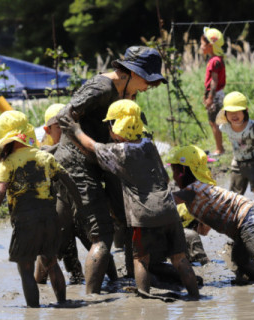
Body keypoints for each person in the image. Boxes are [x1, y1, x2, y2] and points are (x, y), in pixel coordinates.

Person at [59, 99, 200, 300]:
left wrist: (74, 129)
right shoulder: (149, 145)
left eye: (110, 124)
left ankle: (144, 296)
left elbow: (91, 146)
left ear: (116, 127)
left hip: (143, 215)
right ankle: (195, 296)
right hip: (169, 209)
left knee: (140, 259)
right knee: (179, 258)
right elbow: (165, 177)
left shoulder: (118, 152)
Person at [55, 46, 167, 293]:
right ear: (129, 73)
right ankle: (93, 299)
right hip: (78, 160)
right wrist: (90, 147)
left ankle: (135, 278)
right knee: (102, 234)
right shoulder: (102, 87)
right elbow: (64, 116)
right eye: (146, 80)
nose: (148, 87)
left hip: (105, 158)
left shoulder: (125, 91)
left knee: (129, 217)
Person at [0, 110, 83, 307]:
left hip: (25, 223)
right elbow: (69, 181)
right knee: (51, 263)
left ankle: (33, 311)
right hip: (50, 219)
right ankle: (63, 304)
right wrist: (80, 206)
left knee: (25, 269)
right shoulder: (44, 157)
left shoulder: (9, 162)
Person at [167, 145, 254, 286]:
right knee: (240, 260)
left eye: (173, 171)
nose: (173, 177)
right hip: (247, 218)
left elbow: (166, 201)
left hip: (249, 217)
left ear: (183, 171)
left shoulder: (193, 190)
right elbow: (204, 229)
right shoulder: (199, 193)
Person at [34, 103, 86, 285]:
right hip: (56, 214)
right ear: (47, 130)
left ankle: (108, 280)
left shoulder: (76, 144)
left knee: (89, 244)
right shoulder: (43, 150)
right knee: (49, 252)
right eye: (59, 127)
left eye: (67, 126)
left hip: (75, 208)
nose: (64, 132)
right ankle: (39, 285)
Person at [201, 27, 226, 156]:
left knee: (214, 123)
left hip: (215, 95)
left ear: (210, 46)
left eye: (202, 44)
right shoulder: (217, 60)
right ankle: (219, 147)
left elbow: (214, 81)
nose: (201, 47)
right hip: (217, 94)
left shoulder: (214, 62)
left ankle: (219, 149)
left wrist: (210, 97)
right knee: (215, 122)